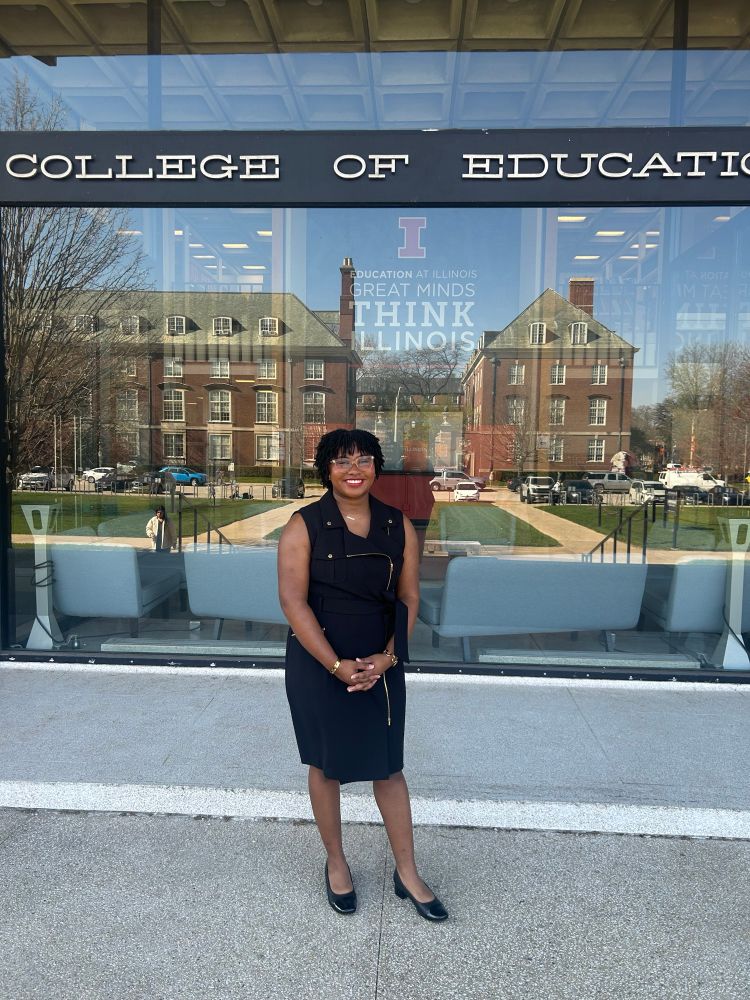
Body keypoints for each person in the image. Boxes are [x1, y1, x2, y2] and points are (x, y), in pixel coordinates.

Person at [278, 428, 448, 922]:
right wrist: (334, 664)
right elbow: (292, 601)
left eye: (365, 459)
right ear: (325, 469)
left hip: (382, 659)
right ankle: (336, 862)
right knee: (325, 765)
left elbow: (410, 598)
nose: (354, 469)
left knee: (388, 768)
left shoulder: (399, 526)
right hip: (318, 661)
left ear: (377, 467)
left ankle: (407, 871)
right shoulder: (303, 525)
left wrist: (389, 658)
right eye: (342, 460)